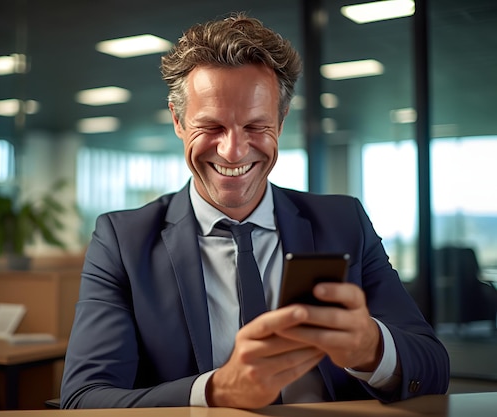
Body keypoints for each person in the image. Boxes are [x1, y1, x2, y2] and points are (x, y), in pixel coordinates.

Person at [60, 12, 449, 409]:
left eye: (255, 127)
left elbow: (433, 368)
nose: (233, 151)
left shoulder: (344, 223)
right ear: (178, 121)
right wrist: (216, 392)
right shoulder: (123, 242)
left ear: (280, 122)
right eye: (211, 127)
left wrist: (371, 347)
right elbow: (84, 398)